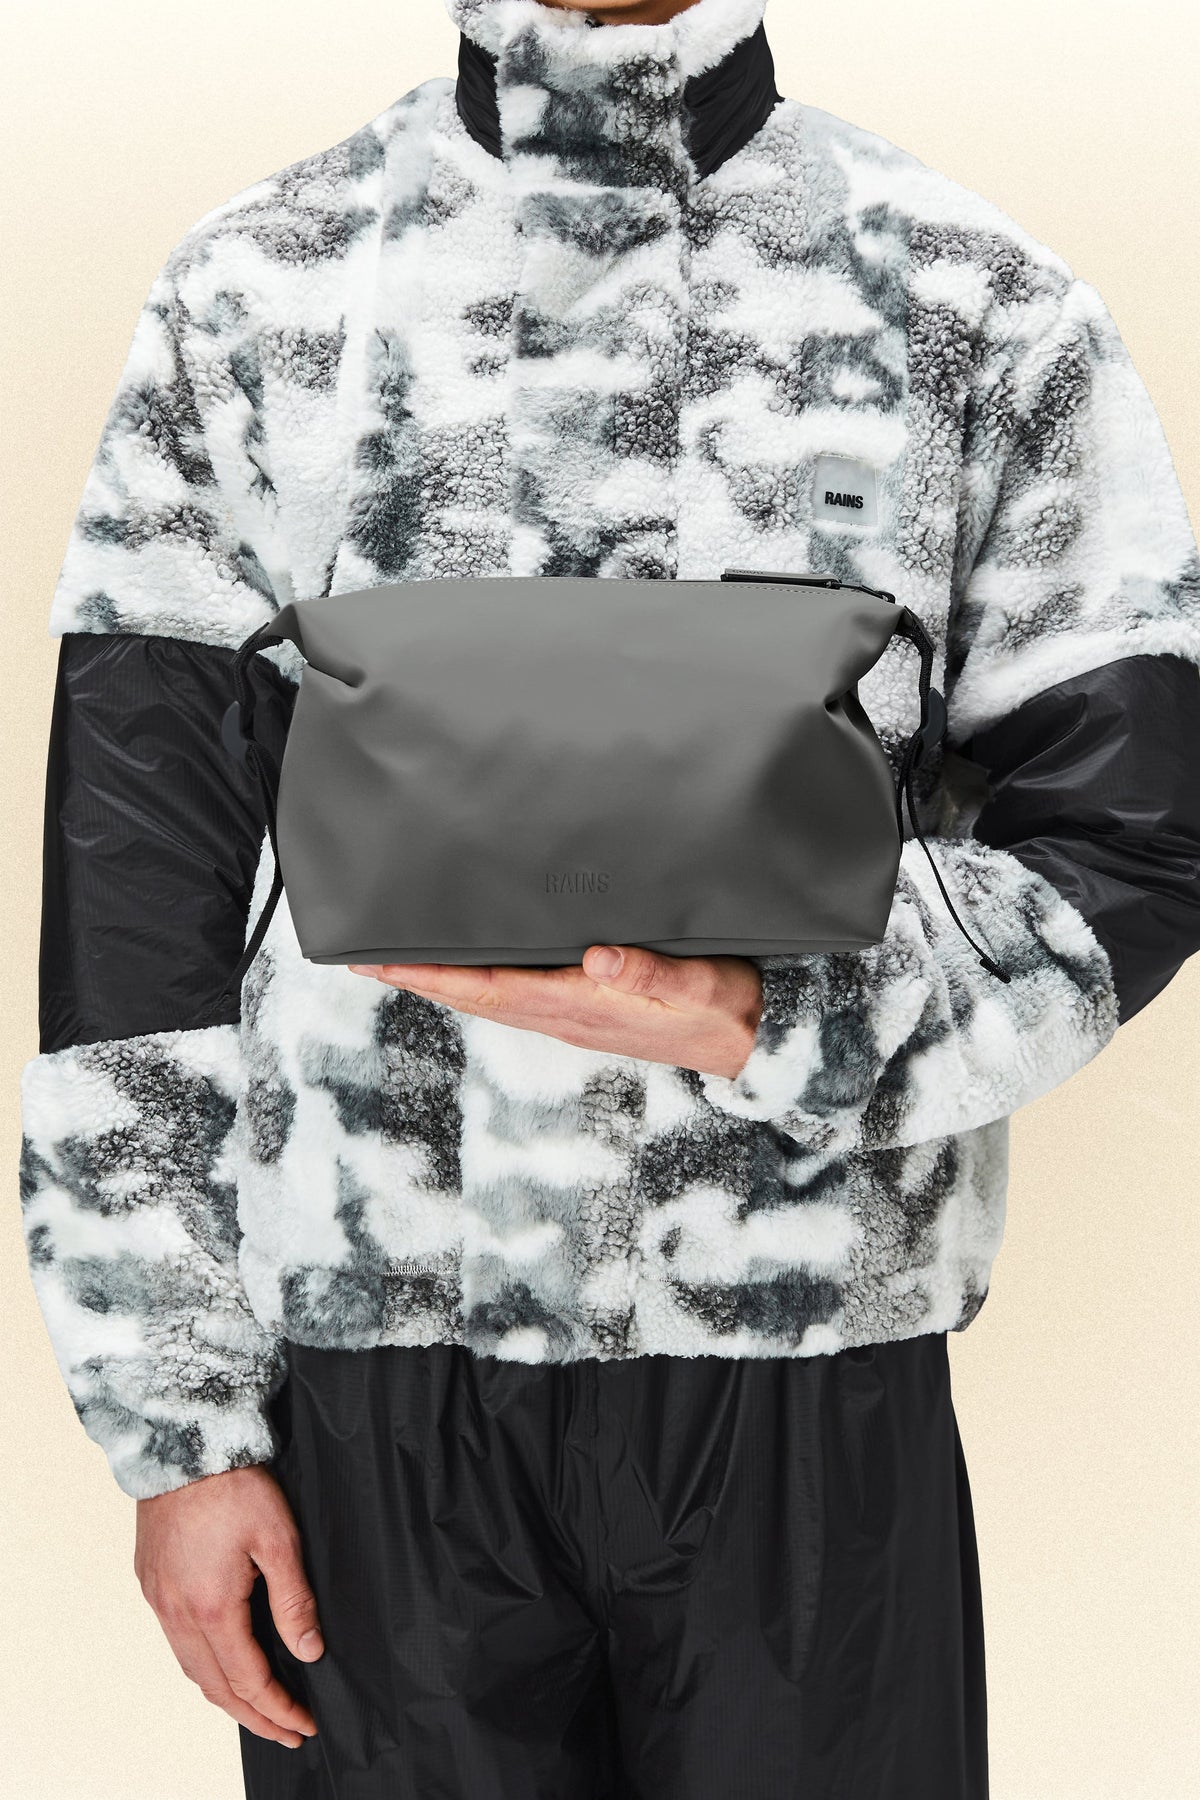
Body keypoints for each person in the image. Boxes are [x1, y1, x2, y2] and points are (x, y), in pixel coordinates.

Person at [19, 0, 1200, 1793]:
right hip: (371, 1377)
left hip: (807, 1361)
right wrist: (176, 1426)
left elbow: (1130, 844)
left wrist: (775, 1015)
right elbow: (136, 891)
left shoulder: (976, 301)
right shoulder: (261, 291)